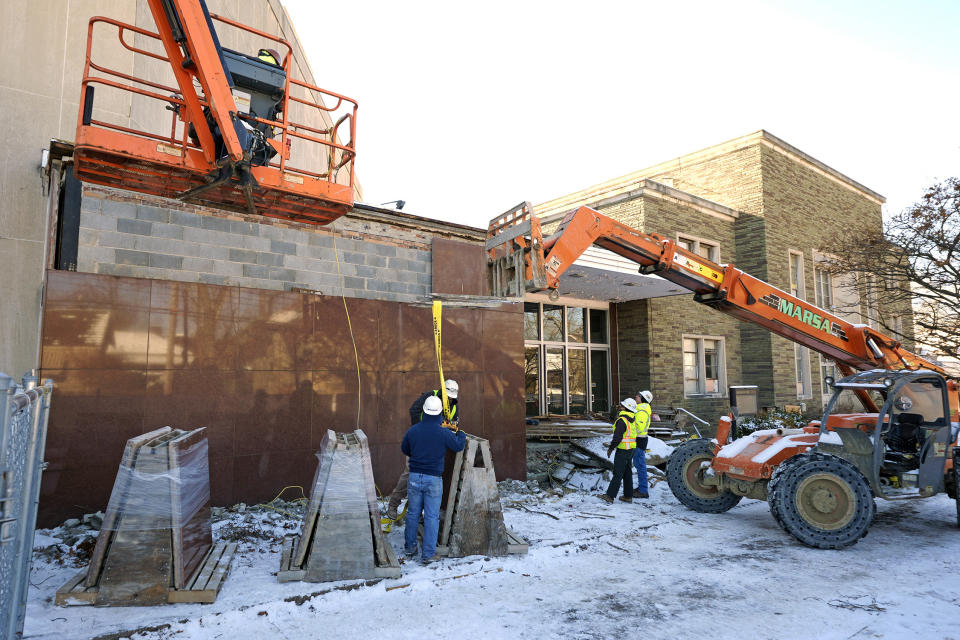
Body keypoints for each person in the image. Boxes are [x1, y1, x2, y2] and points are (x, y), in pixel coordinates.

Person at [401, 394, 466, 564]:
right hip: (433, 480)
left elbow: (405, 448)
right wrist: (461, 433)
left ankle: (410, 548)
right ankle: (428, 554)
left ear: (423, 412)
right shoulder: (443, 433)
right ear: (439, 414)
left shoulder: (413, 430)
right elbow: (458, 445)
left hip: (414, 477)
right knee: (431, 516)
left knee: (413, 513)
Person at [386, 379, 460, 520]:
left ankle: (418, 512)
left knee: (428, 478)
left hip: (435, 446)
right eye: (448, 397)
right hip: (419, 442)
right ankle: (393, 505)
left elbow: (455, 423)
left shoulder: (454, 405)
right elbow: (414, 410)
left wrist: (451, 429)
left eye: (452, 398)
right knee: (409, 473)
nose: (450, 400)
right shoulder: (429, 396)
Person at [598, 398, 638, 503]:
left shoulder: (622, 420)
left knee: (618, 473)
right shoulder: (632, 419)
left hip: (623, 450)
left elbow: (617, 437)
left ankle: (610, 496)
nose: (619, 407)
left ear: (626, 408)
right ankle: (628, 496)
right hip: (631, 449)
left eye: (621, 406)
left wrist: (611, 448)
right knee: (627, 473)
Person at [633, 390, 653, 499]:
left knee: (640, 466)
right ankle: (642, 488)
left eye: (638, 396)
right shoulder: (640, 410)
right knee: (638, 464)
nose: (636, 396)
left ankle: (643, 490)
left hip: (639, 440)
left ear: (643, 399)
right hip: (639, 440)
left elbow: (639, 428)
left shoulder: (641, 411)